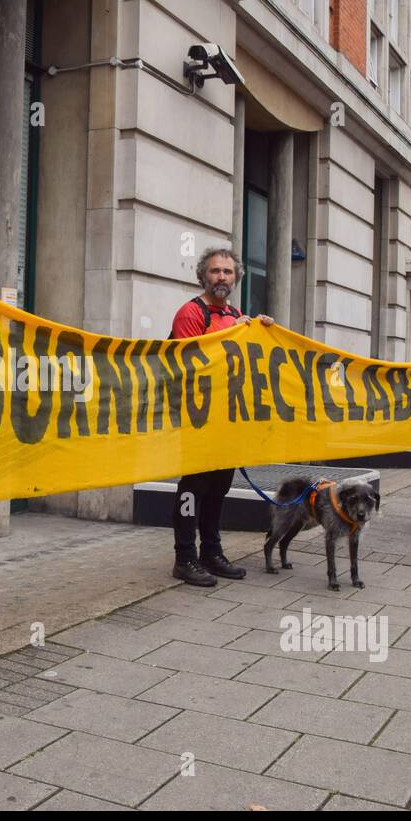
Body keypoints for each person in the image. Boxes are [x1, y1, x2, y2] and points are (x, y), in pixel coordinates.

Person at [169, 247, 273, 586]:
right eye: (215, 271)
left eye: (228, 272)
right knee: (191, 490)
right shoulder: (190, 312)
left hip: (226, 420)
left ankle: (211, 553)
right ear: (203, 275)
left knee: (218, 490)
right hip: (196, 419)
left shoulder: (235, 313)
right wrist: (232, 331)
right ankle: (184, 557)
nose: (222, 277)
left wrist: (262, 332)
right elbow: (191, 362)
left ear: (236, 277)